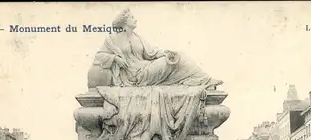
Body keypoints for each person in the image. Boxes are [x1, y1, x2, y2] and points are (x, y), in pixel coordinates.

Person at [89, 8, 222, 88]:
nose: (135, 20)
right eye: (132, 17)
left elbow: (152, 52)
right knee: (177, 59)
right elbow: (99, 56)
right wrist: (115, 59)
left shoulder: (138, 38)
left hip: (147, 67)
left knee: (177, 55)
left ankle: (203, 80)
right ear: (124, 22)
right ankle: (204, 80)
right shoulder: (112, 39)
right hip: (135, 76)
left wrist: (164, 52)